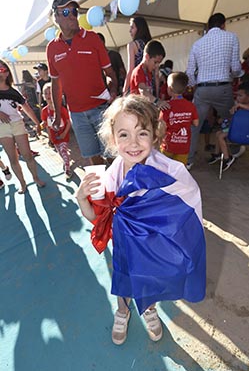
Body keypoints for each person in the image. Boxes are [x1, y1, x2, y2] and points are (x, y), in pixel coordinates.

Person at [75, 94, 206, 345]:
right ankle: (123, 310)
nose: (133, 143)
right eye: (124, 134)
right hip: (123, 248)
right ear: (112, 139)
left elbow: (188, 212)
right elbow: (98, 220)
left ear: (155, 134)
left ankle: (148, 307)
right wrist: (83, 200)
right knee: (122, 277)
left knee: (150, 278)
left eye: (142, 133)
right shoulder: (107, 179)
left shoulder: (170, 175)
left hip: (153, 249)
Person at [46, 0, 118, 167]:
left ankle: (119, 192)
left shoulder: (92, 38)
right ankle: (103, 193)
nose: (72, 15)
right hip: (77, 115)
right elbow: (56, 84)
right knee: (93, 159)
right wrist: (57, 114)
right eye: (66, 12)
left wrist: (113, 90)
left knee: (113, 156)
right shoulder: (52, 48)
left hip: (100, 109)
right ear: (56, 17)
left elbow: (110, 72)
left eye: (74, 11)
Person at [186, 12, 243, 170]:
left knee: (194, 126)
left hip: (202, 89)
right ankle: (232, 151)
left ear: (208, 27)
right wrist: (234, 74)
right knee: (231, 121)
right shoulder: (231, 37)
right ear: (223, 25)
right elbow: (236, 68)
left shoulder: (197, 44)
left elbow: (190, 72)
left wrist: (196, 87)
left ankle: (189, 160)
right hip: (222, 87)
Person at [0, 59, 45, 194]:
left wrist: (37, 123)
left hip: (17, 124)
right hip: (2, 128)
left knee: (27, 155)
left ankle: (36, 178)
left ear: (7, 73)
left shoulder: (14, 92)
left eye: (1, 70)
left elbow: (27, 109)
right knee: (12, 158)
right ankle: (22, 183)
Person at [208, 81, 249, 172]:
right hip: (236, 129)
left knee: (221, 136)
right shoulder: (237, 106)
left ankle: (228, 158)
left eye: (240, 96)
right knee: (218, 133)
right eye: (237, 95)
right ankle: (217, 154)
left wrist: (239, 105)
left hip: (244, 131)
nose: (237, 98)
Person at [160, 72, 199, 166]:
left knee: (163, 169)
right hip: (183, 146)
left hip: (168, 146)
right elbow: (196, 123)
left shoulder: (166, 106)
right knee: (180, 171)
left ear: (169, 89)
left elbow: (161, 126)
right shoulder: (191, 106)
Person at [40, 83, 72, 180]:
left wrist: (64, 133)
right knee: (61, 152)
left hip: (63, 135)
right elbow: (46, 125)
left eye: (50, 93)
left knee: (63, 150)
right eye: (46, 93)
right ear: (43, 96)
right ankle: (65, 162)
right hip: (54, 137)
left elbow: (68, 122)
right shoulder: (44, 111)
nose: (49, 95)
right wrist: (43, 127)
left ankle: (67, 169)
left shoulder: (61, 109)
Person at [130, 40, 169, 110]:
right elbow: (143, 91)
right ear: (147, 57)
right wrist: (157, 101)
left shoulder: (149, 72)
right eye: (155, 62)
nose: (157, 66)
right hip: (138, 110)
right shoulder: (138, 71)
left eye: (159, 63)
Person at [122, 16, 152, 95]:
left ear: (139, 28)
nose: (130, 31)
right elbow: (156, 72)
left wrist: (124, 90)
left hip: (136, 83)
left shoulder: (133, 45)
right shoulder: (151, 44)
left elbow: (131, 69)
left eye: (132, 27)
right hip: (150, 83)